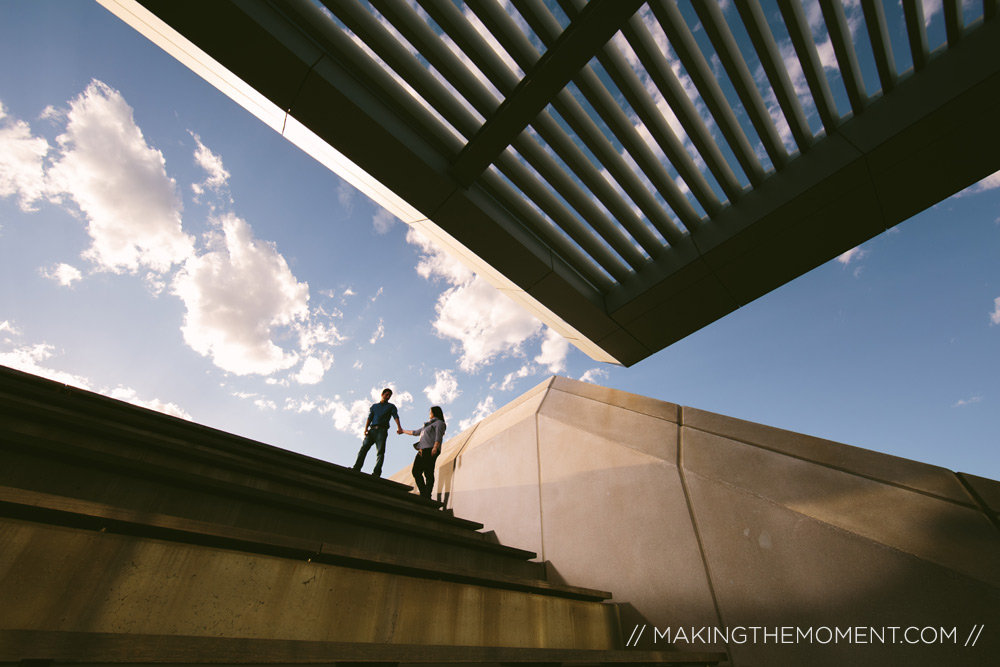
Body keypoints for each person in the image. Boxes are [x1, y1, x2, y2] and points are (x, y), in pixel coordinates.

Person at [352, 388, 402, 477]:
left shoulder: (391, 406)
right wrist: (366, 428)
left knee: (380, 452)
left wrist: (399, 427)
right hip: (372, 430)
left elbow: (395, 416)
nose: (388, 397)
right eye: (387, 394)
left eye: (389, 396)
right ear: (382, 394)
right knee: (363, 449)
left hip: (382, 431)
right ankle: (357, 467)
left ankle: (377, 472)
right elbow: (370, 417)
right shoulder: (374, 406)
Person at [400, 406, 446, 498]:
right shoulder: (426, 425)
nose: (429, 413)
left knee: (428, 472)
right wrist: (403, 431)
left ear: (435, 413)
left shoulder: (439, 423)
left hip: (430, 449)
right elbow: (415, 432)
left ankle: (427, 494)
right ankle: (423, 492)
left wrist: (435, 447)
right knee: (416, 472)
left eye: (431, 412)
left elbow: (438, 436)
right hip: (422, 450)